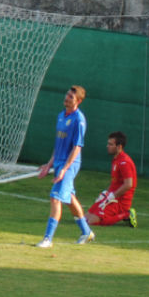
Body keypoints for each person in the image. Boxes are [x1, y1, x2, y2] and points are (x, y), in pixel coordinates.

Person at [35, 85, 94, 247]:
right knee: (69, 198)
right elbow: (58, 145)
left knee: (55, 198)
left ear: (78, 101)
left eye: (71, 97)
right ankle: (87, 232)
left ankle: (47, 239)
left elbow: (77, 147)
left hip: (70, 164)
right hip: (59, 162)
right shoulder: (61, 116)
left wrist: (65, 170)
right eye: (67, 95)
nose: (67, 98)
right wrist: (49, 164)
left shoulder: (79, 120)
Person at [86, 131, 138, 228]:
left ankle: (126, 214)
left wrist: (112, 196)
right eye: (108, 143)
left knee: (92, 222)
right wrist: (106, 193)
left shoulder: (124, 162)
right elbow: (115, 182)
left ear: (119, 146)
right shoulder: (116, 159)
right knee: (85, 219)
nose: (107, 146)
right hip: (112, 198)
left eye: (110, 144)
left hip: (120, 201)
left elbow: (128, 185)